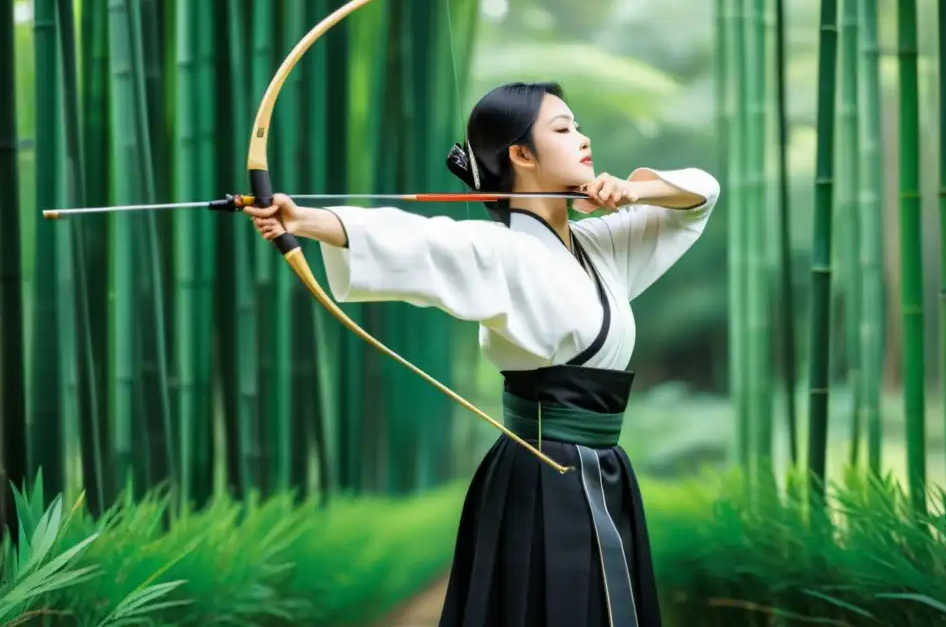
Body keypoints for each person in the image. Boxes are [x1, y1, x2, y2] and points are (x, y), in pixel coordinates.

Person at [244, 81, 720, 627]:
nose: (583, 139)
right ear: (520, 154)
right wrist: (302, 219)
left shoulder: (602, 245)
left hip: (603, 467)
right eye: (563, 130)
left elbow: (700, 193)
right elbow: (418, 239)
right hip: (544, 475)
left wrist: (637, 192)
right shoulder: (501, 251)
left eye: (579, 125)